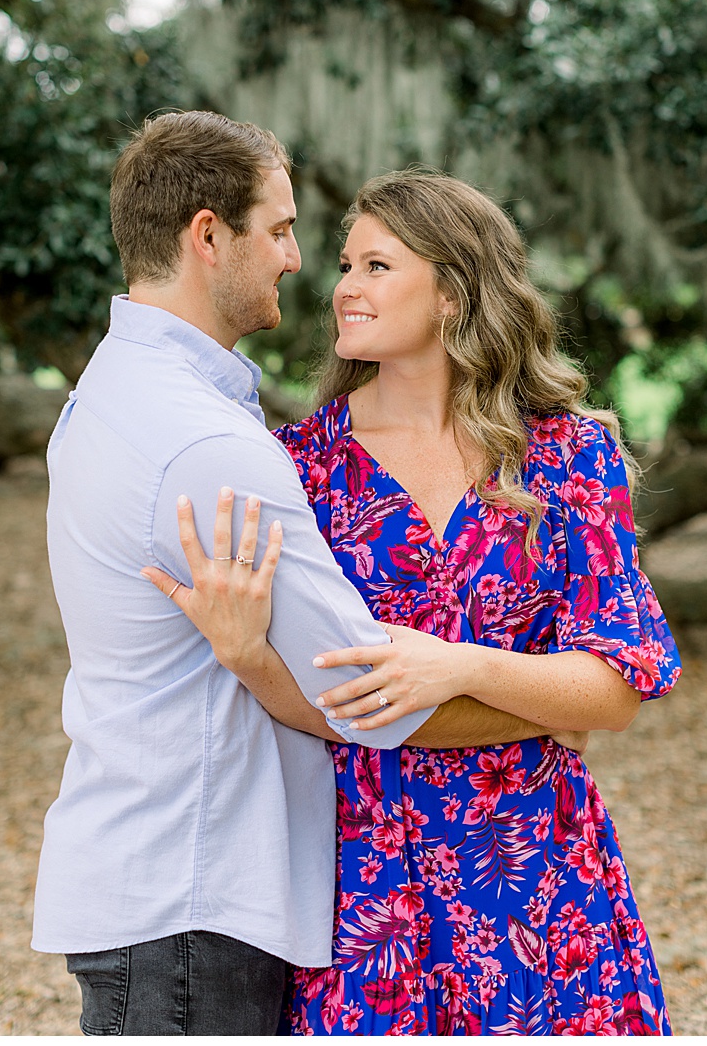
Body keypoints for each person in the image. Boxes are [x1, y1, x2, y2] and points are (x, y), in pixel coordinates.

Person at [34, 111, 564, 1035]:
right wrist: (552, 706)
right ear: (209, 236)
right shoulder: (210, 443)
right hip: (192, 897)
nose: (296, 259)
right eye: (278, 229)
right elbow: (368, 692)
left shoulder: (112, 390)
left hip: (151, 879)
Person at [149, 168, 678, 1034]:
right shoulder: (298, 467)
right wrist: (246, 654)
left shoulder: (567, 457)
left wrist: (457, 667)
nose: (344, 286)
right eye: (347, 265)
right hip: (366, 885)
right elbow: (330, 708)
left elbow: (619, 689)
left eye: (378, 266)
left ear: (453, 291)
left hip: (542, 881)